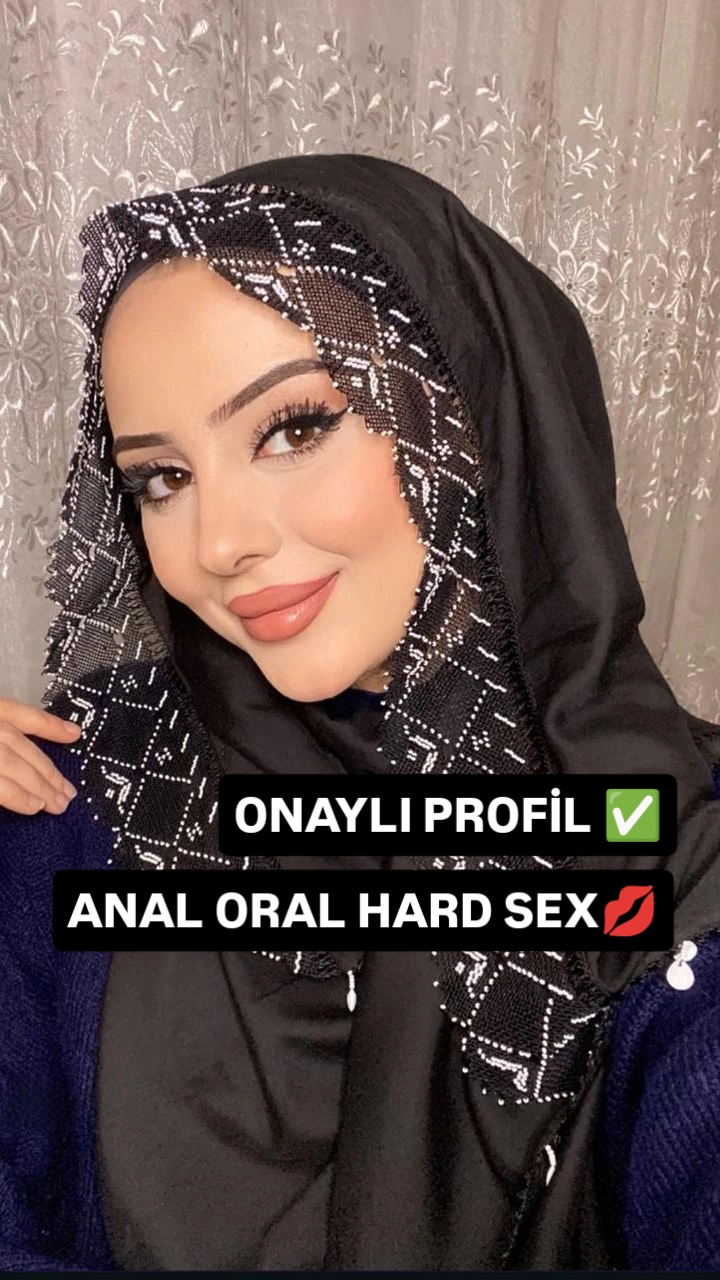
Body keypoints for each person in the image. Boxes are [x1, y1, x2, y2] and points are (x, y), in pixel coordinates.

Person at [1, 153, 719, 1271]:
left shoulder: (667, 841)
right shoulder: (87, 792)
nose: (218, 543)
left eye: (292, 428)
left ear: (475, 418)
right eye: (161, 479)